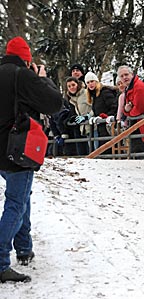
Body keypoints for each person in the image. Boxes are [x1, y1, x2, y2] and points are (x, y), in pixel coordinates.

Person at [0, 36, 62, 283]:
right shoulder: (22, 75)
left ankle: (24, 247)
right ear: (27, 59)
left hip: (1, 150)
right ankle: (1, 261)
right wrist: (41, 77)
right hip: (17, 150)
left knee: (21, 195)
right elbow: (54, 103)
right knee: (16, 201)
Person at [118, 65, 144, 154]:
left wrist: (127, 112)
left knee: (142, 154)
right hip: (136, 125)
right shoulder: (129, 88)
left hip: (143, 126)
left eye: (126, 74)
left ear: (132, 74)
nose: (124, 78)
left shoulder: (138, 87)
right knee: (135, 153)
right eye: (122, 76)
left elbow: (140, 108)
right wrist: (126, 111)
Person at [84, 71, 117, 152]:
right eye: (88, 82)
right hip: (101, 127)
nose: (90, 84)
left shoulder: (104, 92)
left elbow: (114, 106)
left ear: (96, 81)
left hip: (108, 127)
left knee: (108, 150)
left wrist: (105, 116)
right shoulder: (94, 95)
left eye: (92, 81)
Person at [65, 77, 91, 155]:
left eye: (73, 85)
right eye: (69, 86)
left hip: (91, 124)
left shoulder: (86, 93)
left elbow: (94, 106)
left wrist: (88, 116)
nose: (71, 88)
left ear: (78, 85)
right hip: (82, 128)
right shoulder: (71, 99)